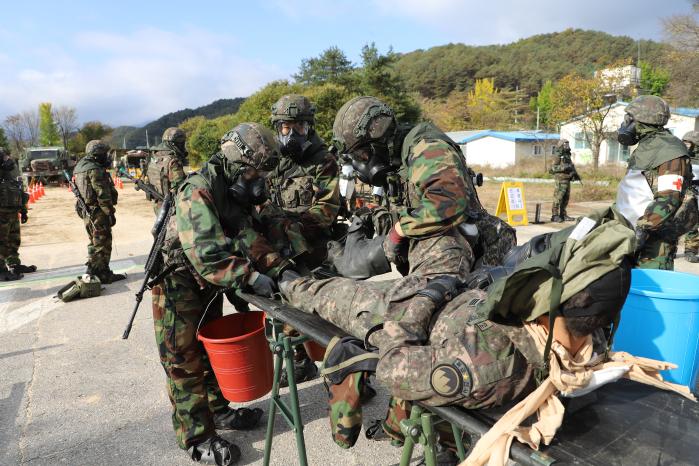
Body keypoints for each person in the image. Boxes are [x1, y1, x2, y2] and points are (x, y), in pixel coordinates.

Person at [153, 123, 290, 465]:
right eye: (254, 171)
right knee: (184, 361)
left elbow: (246, 236)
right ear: (236, 162)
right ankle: (196, 438)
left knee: (209, 349)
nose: (258, 179)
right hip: (177, 284)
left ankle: (218, 411)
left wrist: (279, 269)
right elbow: (208, 254)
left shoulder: (228, 188)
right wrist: (251, 277)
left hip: (207, 283)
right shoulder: (196, 190)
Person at [331, 95, 514, 278]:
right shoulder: (395, 160)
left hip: (483, 255)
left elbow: (448, 203)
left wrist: (399, 231)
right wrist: (375, 216)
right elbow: (411, 207)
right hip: (455, 251)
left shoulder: (427, 149)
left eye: (361, 153)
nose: (362, 162)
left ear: (377, 140)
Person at [260, 94, 341, 385]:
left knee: (330, 315)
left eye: (298, 127)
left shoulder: (324, 161)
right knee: (284, 311)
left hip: (316, 251)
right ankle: (299, 363)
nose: (291, 133)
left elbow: (327, 210)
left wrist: (287, 228)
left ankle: (351, 374)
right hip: (282, 252)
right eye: (285, 127)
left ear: (309, 127)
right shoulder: (274, 161)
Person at [615, 95, 697, 270]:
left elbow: (669, 199)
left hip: (652, 244)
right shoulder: (648, 146)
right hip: (630, 230)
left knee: (647, 290)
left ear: (642, 120)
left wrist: (641, 231)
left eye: (629, 118)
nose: (625, 123)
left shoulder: (669, 151)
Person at [72, 140, 125, 283]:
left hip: (86, 210)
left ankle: (93, 268)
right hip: (98, 211)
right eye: (103, 154)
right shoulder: (95, 169)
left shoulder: (79, 167)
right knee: (103, 242)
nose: (106, 156)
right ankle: (102, 273)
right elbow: (102, 194)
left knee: (93, 241)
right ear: (97, 154)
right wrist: (109, 212)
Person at [0, 148, 36, 280]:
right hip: (2, 212)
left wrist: (23, 210)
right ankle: (1, 269)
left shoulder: (9, 171)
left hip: (12, 211)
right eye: (4, 157)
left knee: (14, 240)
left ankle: (14, 264)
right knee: (1, 242)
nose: (7, 159)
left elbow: (17, 188)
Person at [145, 127, 188, 211]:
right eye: (181, 143)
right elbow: (180, 186)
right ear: (174, 144)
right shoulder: (173, 160)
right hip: (170, 207)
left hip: (157, 204)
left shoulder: (154, 156)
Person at [549, 139, 578, 222]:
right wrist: (564, 167)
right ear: (561, 145)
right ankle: (554, 215)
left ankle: (563, 214)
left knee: (566, 198)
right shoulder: (558, 155)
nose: (567, 146)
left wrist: (573, 173)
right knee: (558, 198)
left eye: (568, 144)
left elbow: (570, 166)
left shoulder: (567, 155)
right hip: (560, 180)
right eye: (565, 144)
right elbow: (552, 168)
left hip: (567, 179)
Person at [681, 130, 699, 263]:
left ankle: (691, 250)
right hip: (683, 190)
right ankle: (669, 249)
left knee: (694, 222)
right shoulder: (680, 156)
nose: (687, 145)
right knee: (673, 221)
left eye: (689, 143)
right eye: (685, 142)